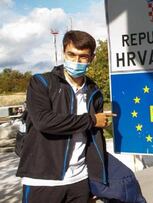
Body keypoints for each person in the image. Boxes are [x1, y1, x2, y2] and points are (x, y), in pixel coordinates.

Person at [16, 30, 114, 203]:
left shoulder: (94, 91)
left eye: (83, 56)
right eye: (71, 54)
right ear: (63, 53)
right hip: (42, 180)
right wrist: (91, 120)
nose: (76, 61)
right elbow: (44, 122)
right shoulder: (41, 83)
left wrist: (96, 181)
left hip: (80, 180)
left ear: (92, 58)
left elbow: (93, 140)